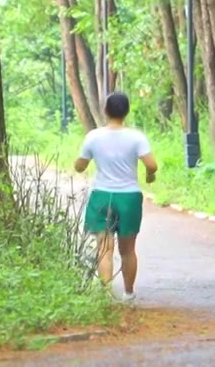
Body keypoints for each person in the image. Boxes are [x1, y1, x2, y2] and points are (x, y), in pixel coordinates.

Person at [74, 91, 157, 302]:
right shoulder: (136, 137)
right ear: (126, 112)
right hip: (129, 197)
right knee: (128, 249)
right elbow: (151, 165)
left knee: (104, 248)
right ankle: (129, 293)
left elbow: (80, 165)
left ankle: (106, 294)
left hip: (102, 195)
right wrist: (149, 175)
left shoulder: (93, 136)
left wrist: (80, 164)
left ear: (105, 110)